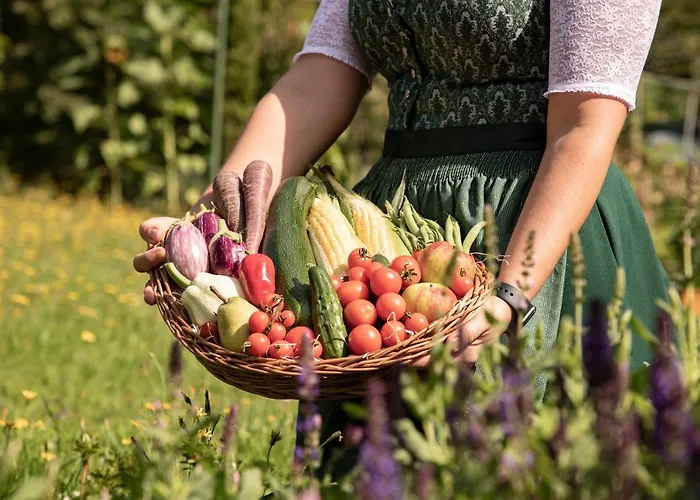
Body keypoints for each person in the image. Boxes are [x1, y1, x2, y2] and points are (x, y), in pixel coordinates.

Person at [133, 0, 669, 480]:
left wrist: (511, 293)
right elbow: (317, 78)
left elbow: (584, 126)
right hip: (391, 236)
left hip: (530, 224)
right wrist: (205, 234)